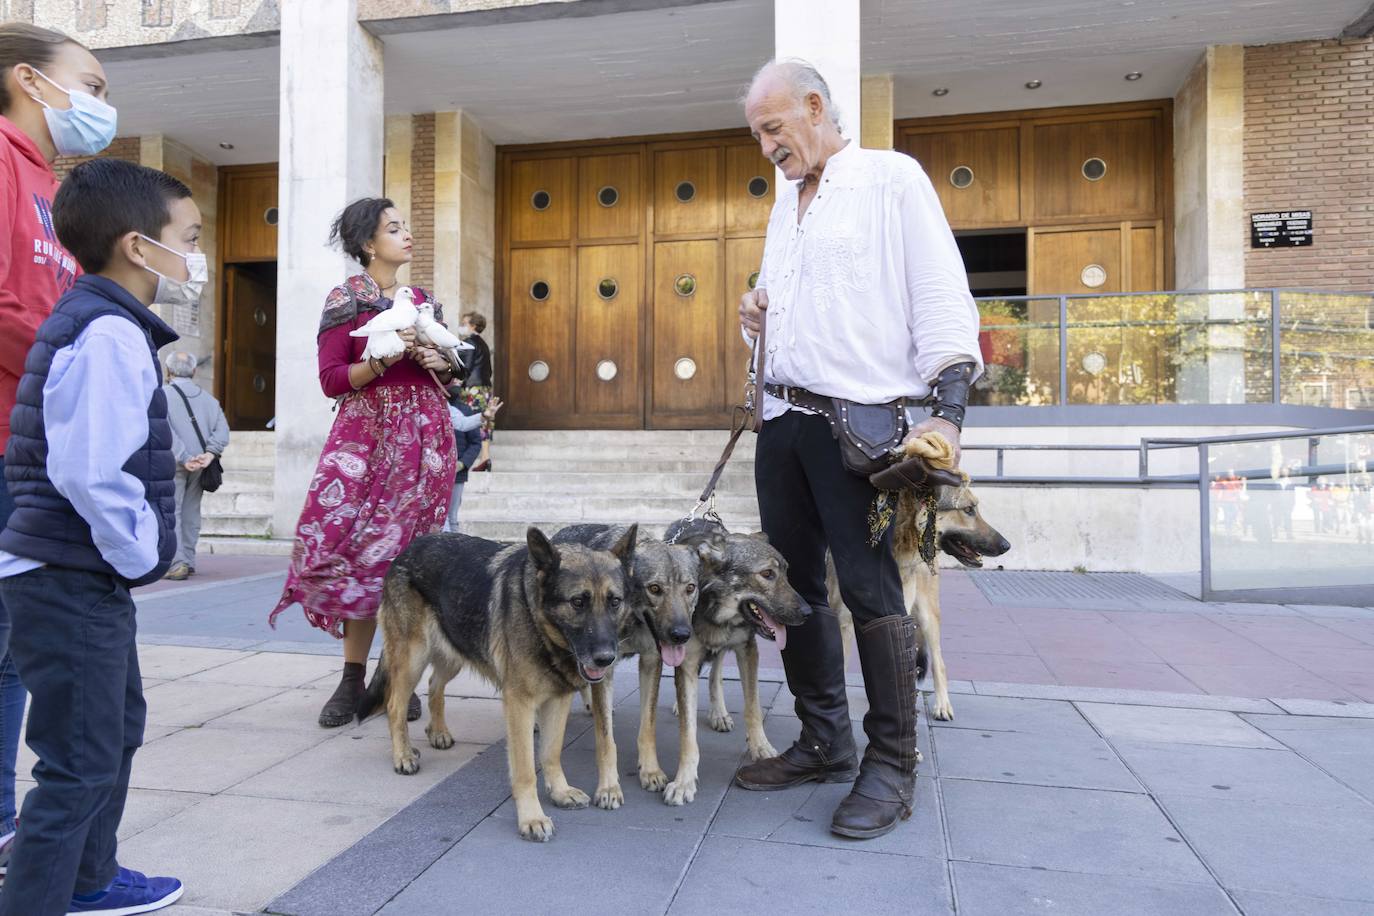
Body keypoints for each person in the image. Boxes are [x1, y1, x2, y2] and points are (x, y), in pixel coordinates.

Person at [732, 60, 981, 840]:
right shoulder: (784, 205)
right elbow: (806, 306)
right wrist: (758, 311)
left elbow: (940, 291)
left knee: (873, 594)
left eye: (774, 128)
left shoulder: (890, 179)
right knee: (794, 589)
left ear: (815, 107)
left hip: (861, 425)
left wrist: (948, 413)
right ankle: (823, 740)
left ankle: (892, 764)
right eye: (758, 134)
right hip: (784, 423)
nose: (767, 145)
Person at [0, 157, 200, 914]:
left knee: (115, 729)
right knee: (77, 762)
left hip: (75, 572)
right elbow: (91, 471)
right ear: (137, 247)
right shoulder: (109, 332)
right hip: (67, 574)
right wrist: (139, 552)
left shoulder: (106, 322)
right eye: (188, 236)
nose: (195, 253)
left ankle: (89, 880)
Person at [269, 197, 458, 728]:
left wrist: (435, 360)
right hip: (367, 437)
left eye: (405, 226)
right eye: (393, 228)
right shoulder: (347, 297)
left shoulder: (425, 302)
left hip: (426, 441)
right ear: (368, 244)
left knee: (413, 562)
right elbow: (331, 378)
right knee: (356, 552)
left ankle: (396, 676)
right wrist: (383, 358)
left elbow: (453, 377)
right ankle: (352, 678)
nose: (406, 235)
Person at [0, 22, 115, 879]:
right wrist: (71, 360)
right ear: (32, 82)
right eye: (93, 84)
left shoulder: (51, 184)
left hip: (32, 444)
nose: (101, 105)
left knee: (15, 652)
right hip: (9, 439)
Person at [161, 350, 228, 580]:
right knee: (191, 512)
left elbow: (164, 430)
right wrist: (209, 454)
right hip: (201, 463)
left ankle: (177, 563)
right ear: (194, 371)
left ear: (168, 371)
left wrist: (183, 456)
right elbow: (222, 431)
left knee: (173, 511)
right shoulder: (210, 400)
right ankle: (188, 560)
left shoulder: (161, 396)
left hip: (174, 463)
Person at [455, 311, 495, 471]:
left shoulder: (469, 342)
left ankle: (477, 458)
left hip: (472, 389)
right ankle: (485, 458)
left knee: (473, 421)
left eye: (464, 323)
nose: (462, 326)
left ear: (472, 326)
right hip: (485, 388)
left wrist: (456, 382)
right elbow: (490, 371)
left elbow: (467, 367)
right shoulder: (484, 344)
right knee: (485, 421)